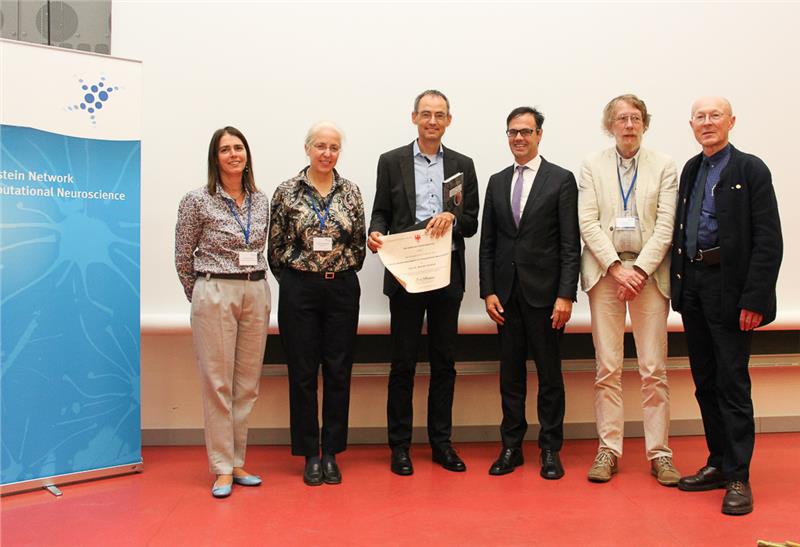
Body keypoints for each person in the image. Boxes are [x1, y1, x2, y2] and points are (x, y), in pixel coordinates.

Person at [671, 97, 782, 515]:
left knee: (732, 383)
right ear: (691, 125)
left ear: (731, 121)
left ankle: (738, 476)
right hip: (694, 284)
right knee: (705, 381)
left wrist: (754, 298)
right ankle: (718, 463)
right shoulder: (691, 169)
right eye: (700, 117)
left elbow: (768, 240)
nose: (707, 122)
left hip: (731, 289)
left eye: (715, 115)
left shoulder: (751, 169)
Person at [368, 89, 479, 475]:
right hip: (406, 273)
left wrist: (453, 218)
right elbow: (381, 213)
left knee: (444, 363)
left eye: (440, 115)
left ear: (449, 120)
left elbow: (471, 222)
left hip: (446, 274)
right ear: (414, 117)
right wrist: (375, 234)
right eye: (426, 114)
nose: (433, 121)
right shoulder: (391, 161)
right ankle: (399, 447)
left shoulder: (463, 164)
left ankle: (441, 444)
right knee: (403, 363)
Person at [578, 94, 680, 485]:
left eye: (636, 118)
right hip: (606, 274)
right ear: (610, 125)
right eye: (621, 118)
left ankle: (660, 453)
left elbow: (666, 227)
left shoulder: (664, 166)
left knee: (653, 368)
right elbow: (587, 223)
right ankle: (608, 450)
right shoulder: (592, 165)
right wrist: (616, 269)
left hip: (648, 276)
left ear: (645, 124)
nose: (629, 125)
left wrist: (637, 270)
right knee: (608, 367)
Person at [478, 106, 579, 479]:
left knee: (549, 377)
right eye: (512, 132)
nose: (518, 138)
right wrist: (488, 291)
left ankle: (550, 449)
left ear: (539, 135)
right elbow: (488, 244)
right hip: (506, 297)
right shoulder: (497, 181)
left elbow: (570, 244)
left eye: (525, 131)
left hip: (547, 298)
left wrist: (566, 295)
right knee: (511, 377)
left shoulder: (561, 179)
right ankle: (511, 447)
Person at [175, 126, 271, 498]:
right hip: (214, 290)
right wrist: (201, 293)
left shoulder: (261, 200)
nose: (234, 154)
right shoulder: (196, 200)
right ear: (215, 158)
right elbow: (183, 256)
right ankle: (221, 467)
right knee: (217, 383)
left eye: (239, 147)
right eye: (225, 149)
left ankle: (237, 461)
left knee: (246, 385)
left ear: (247, 154)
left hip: (255, 289)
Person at [268, 121, 365, 486]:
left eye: (334, 147)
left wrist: (333, 270)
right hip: (300, 290)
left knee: (339, 371)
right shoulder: (287, 191)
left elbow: (357, 246)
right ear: (307, 148)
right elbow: (275, 247)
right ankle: (310, 453)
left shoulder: (351, 191)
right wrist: (299, 278)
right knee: (303, 372)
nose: (327, 153)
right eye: (321, 146)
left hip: (341, 289)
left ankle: (332, 453)